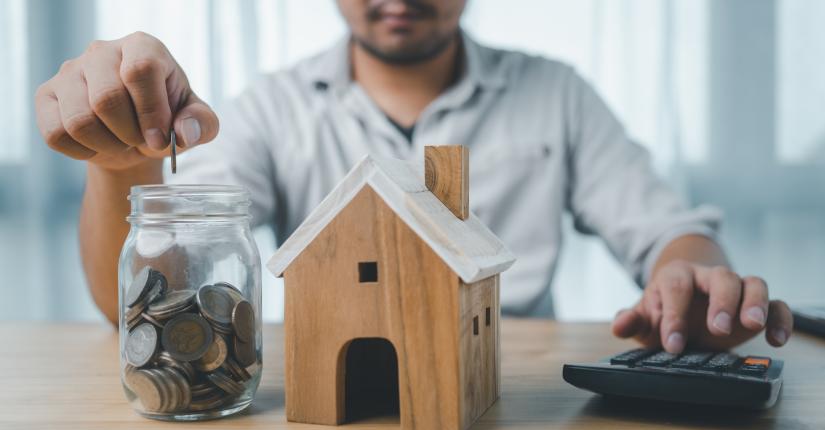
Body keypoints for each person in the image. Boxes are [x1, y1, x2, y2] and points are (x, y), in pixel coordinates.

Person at [34, 0, 792, 354]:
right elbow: (145, 291)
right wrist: (125, 163)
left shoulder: (555, 92)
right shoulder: (273, 105)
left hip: (510, 388)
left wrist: (692, 276)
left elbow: (666, 230)